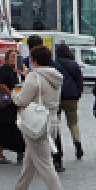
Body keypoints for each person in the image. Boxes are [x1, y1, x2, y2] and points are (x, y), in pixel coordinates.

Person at [4, 45, 67, 190]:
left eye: (31, 58)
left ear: (34, 60)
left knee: (44, 164)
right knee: (30, 161)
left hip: (36, 123)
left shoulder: (34, 77)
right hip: (51, 121)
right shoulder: (54, 76)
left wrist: (13, 94)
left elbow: (22, 100)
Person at [21, 35, 63, 172]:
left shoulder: (29, 64)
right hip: (52, 108)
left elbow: (24, 96)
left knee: (35, 139)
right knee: (53, 135)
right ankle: (57, 158)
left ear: (29, 47)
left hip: (36, 110)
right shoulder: (53, 65)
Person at [0, 49, 26, 164]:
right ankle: (0, 156)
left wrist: (23, 70)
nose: (15, 59)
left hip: (10, 105)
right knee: (0, 129)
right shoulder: (4, 69)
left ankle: (20, 155)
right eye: (13, 57)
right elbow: (0, 84)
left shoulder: (16, 71)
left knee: (15, 130)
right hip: (2, 106)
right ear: (7, 58)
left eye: (17, 57)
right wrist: (11, 94)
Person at [53, 43, 85, 160]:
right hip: (71, 96)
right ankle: (77, 143)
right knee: (73, 123)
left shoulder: (54, 64)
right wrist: (78, 94)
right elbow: (79, 81)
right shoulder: (74, 64)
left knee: (55, 123)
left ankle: (57, 147)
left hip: (57, 97)